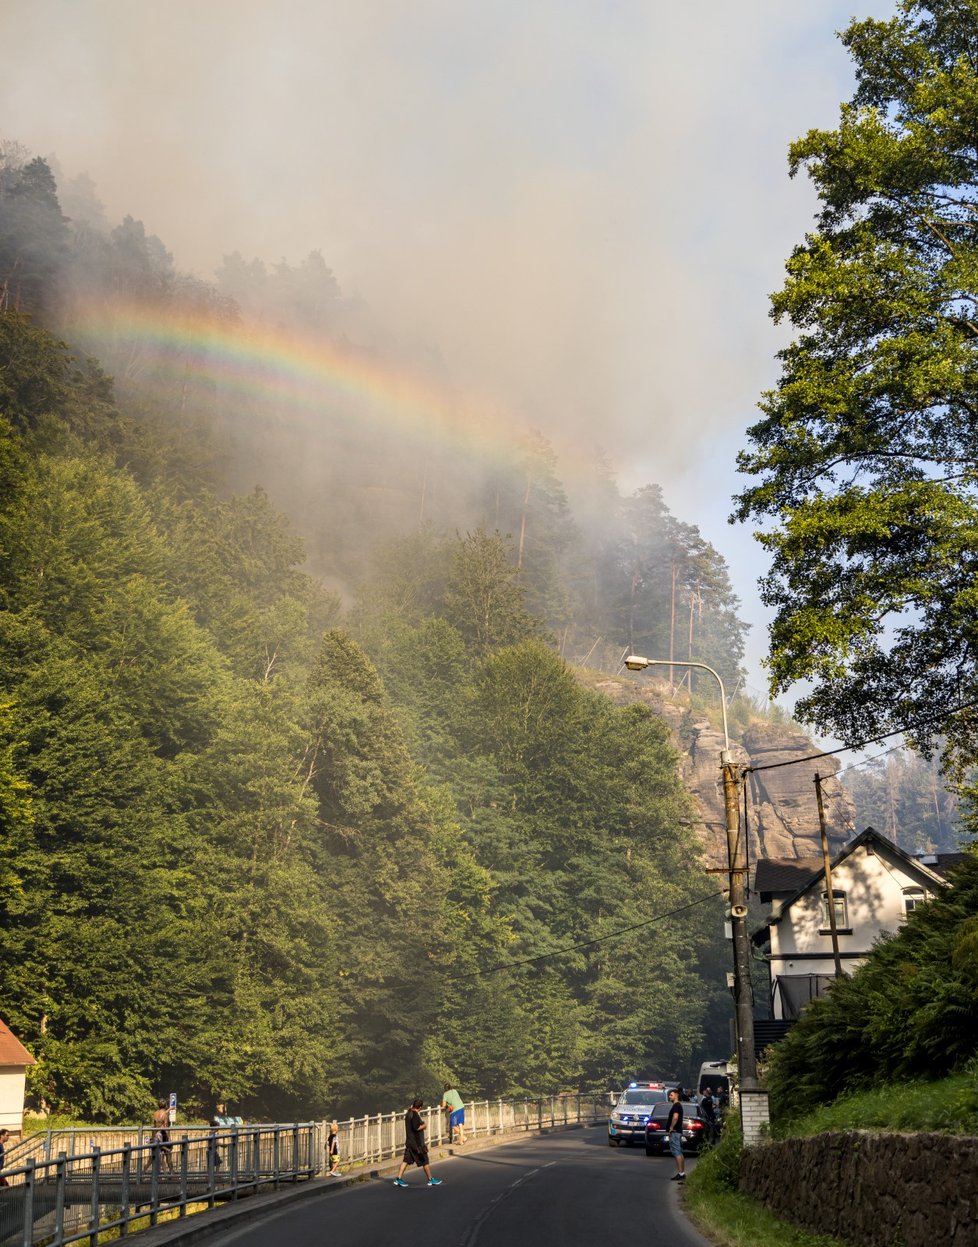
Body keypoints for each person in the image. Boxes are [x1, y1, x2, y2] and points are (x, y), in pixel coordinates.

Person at [392, 1098, 442, 1187]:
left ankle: (398, 1179)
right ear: (420, 1107)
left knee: (406, 1160)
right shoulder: (414, 1114)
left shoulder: (408, 1113)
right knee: (425, 1161)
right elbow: (416, 1127)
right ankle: (431, 1179)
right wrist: (424, 1125)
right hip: (417, 1144)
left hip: (409, 1142)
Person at [144, 1099, 174, 1174]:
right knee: (168, 1154)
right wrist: (169, 1139)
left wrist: (152, 1137)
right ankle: (170, 1172)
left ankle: (143, 1172)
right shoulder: (165, 1114)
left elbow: (155, 1124)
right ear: (165, 1105)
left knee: (155, 1155)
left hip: (156, 1135)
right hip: (163, 1135)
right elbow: (166, 1126)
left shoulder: (155, 1113)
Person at [665, 1087, 685, 1181]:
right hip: (678, 1132)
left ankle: (680, 1173)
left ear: (677, 1095)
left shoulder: (676, 1106)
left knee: (676, 1152)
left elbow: (675, 1117)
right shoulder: (678, 1105)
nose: (669, 1097)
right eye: (669, 1095)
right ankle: (682, 1173)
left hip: (675, 1132)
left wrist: (671, 1127)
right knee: (679, 1152)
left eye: (671, 1095)